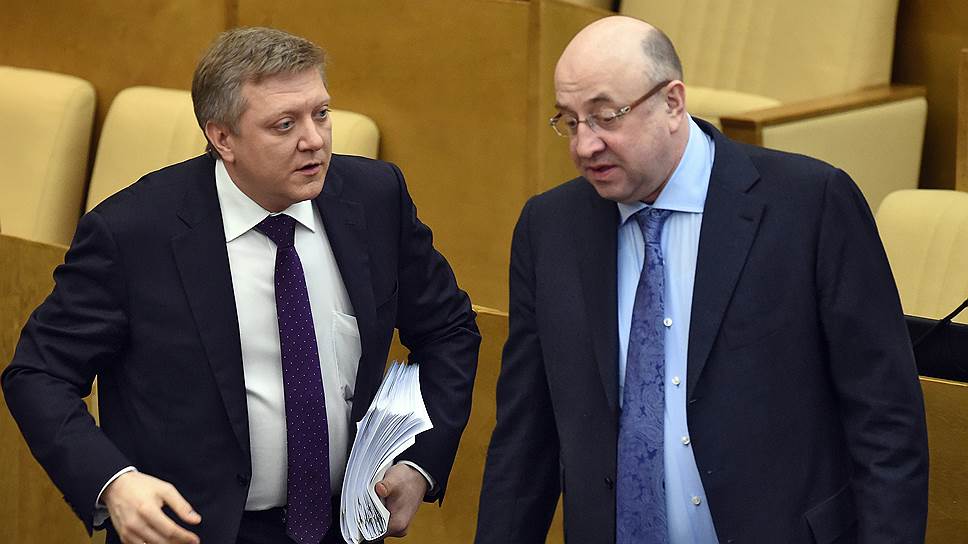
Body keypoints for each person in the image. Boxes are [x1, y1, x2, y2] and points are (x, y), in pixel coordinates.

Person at [3, 27, 480, 544]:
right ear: (222, 138)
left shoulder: (375, 199)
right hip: (194, 531)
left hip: (343, 526)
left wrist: (419, 462)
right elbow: (39, 373)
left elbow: (448, 330)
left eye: (321, 113)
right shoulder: (133, 234)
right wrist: (114, 482)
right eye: (284, 124)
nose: (314, 140)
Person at [476, 15, 928, 544]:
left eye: (605, 117)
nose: (585, 146)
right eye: (570, 122)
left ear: (672, 102)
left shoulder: (810, 205)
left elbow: (885, 420)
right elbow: (525, 438)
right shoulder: (549, 228)